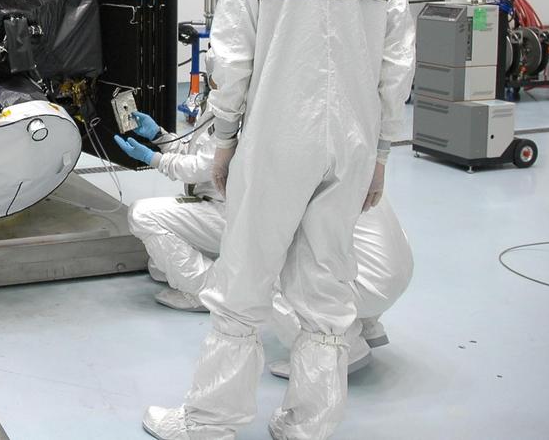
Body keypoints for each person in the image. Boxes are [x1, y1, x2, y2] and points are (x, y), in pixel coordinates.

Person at [128, 0, 415, 440]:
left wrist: (224, 138)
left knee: (244, 282)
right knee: (326, 291)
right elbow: (397, 67)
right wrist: (383, 152)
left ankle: (211, 421)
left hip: (281, 139)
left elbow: (232, 54)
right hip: (352, 144)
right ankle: (309, 425)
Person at [116, 106, 413, 379]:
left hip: (364, 279)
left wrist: (155, 158)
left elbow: (210, 167)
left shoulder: (279, 133)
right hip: (390, 270)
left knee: (270, 272)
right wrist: (160, 137)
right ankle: (364, 325)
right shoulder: (333, 137)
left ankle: (339, 350)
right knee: (162, 266)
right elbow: (205, 152)